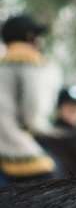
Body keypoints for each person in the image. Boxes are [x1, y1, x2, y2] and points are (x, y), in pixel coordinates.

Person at [0, 14, 60, 186]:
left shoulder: (4, 62)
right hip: (10, 144)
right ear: (29, 36)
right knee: (57, 178)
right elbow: (31, 114)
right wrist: (49, 131)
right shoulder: (26, 60)